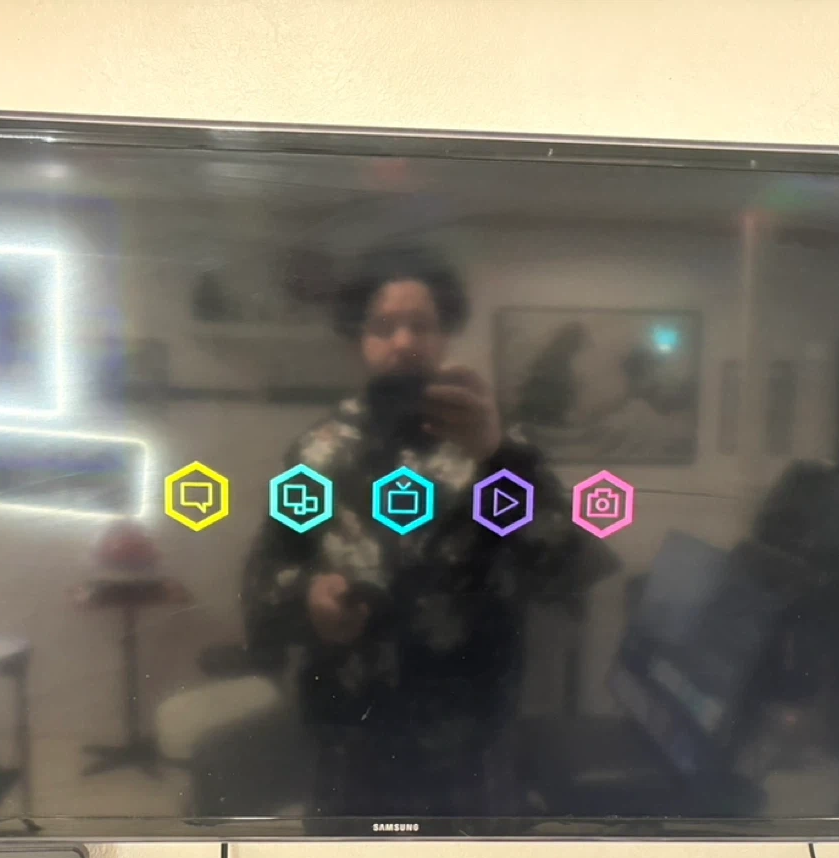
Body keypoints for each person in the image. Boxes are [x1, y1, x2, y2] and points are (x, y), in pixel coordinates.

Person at [242, 245, 613, 816]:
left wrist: (496, 455)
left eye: (421, 325)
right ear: (359, 339)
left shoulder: (495, 449)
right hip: (349, 744)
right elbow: (266, 576)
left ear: (445, 336)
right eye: (383, 327)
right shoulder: (319, 455)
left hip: (470, 748)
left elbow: (568, 567)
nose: (404, 342)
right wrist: (307, 598)